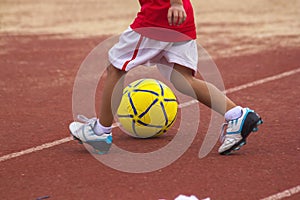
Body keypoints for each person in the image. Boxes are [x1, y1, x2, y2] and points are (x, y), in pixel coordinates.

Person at [69, 0, 263, 155]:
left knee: (116, 68)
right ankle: (238, 115)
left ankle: (100, 133)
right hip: (179, 17)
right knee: (183, 79)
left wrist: (175, 3)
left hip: (160, 15)